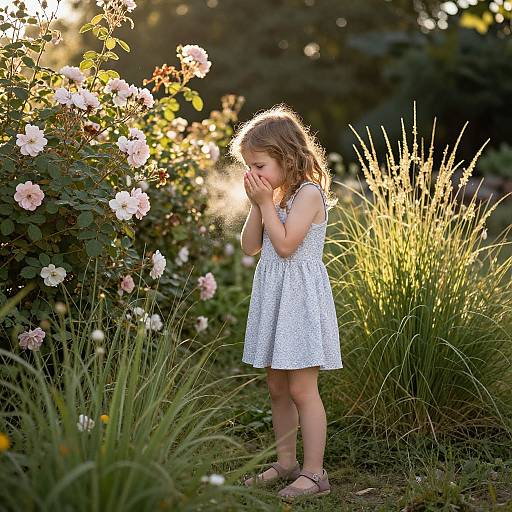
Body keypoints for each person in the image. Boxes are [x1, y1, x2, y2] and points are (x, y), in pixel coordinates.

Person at [228, 104, 344, 502]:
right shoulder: (274, 196)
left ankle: (315, 474)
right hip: (276, 298)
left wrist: (264, 205)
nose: (253, 175)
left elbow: (286, 244)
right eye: (249, 167)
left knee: (301, 388)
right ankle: (286, 462)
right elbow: (250, 246)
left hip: (300, 302)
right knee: (277, 384)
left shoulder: (309, 194)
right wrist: (258, 204)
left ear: (287, 156)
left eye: (259, 165)